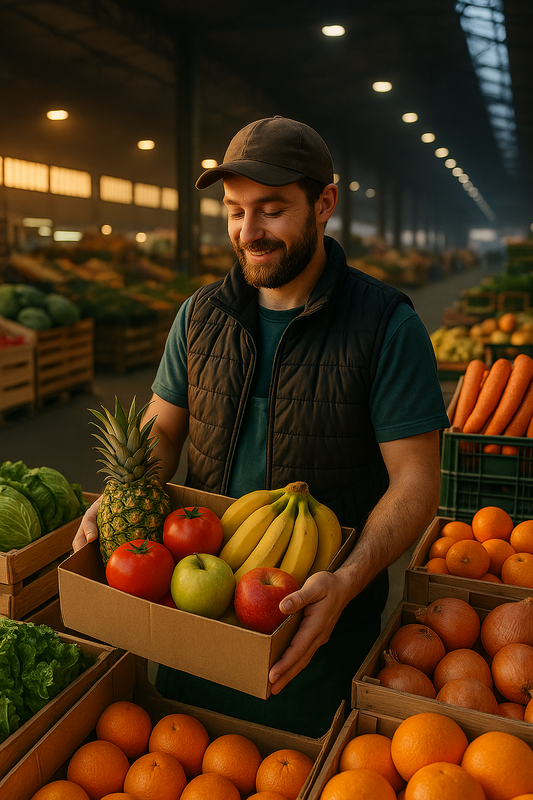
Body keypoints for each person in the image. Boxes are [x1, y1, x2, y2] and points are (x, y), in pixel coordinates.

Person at [74, 115, 449, 736]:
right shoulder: (200, 315)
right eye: (235, 211)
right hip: (194, 610)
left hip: (314, 630)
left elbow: (416, 483)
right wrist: (122, 495)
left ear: (324, 204)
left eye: (272, 211)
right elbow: (161, 432)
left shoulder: (387, 326)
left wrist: (347, 580)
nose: (248, 232)